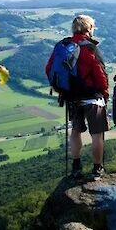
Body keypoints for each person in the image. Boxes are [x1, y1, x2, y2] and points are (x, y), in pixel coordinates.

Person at [46, 14, 109, 180]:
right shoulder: (90, 48)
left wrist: (63, 89)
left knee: (75, 131)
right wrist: (105, 92)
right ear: (89, 29)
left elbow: (49, 69)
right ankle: (97, 169)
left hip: (72, 97)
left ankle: (76, 167)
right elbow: (100, 75)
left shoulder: (62, 45)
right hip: (92, 97)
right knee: (97, 134)